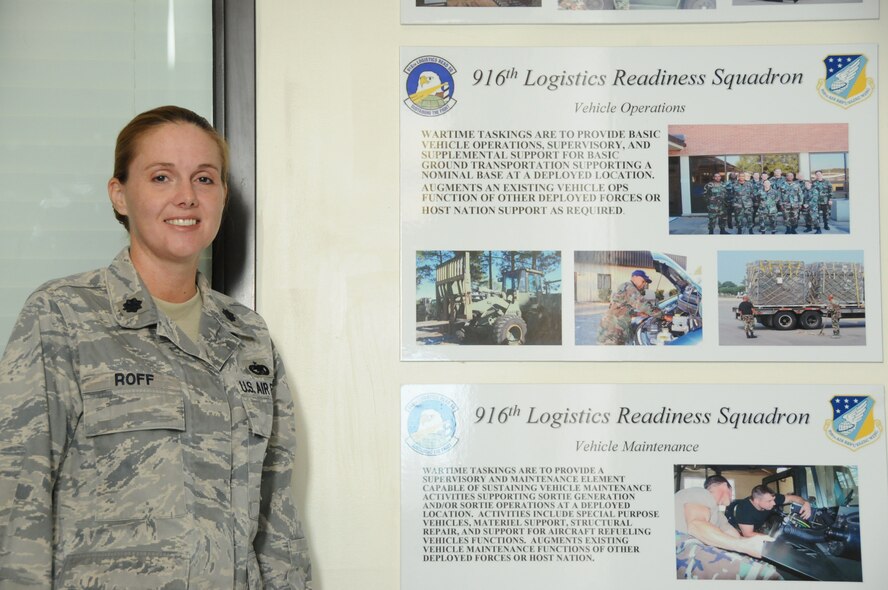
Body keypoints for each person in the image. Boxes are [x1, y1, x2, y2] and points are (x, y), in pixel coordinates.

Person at [0, 106, 311, 588]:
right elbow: (18, 499)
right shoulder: (62, 317)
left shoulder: (248, 336)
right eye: (162, 177)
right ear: (120, 195)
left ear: (223, 196)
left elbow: (276, 522)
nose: (186, 197)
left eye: (204, 179)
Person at [675, 475, 780, 580]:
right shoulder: (701, 493)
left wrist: (766, 546)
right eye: (731, 491)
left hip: (690, 550)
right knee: (766, 575)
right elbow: (696, 526)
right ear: (725, 486)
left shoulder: (718, 515)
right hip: (677, 545)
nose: (731, 496)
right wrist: (744, 546)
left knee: (765, 566)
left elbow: (736, 538)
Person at [598, 270, 665, 345]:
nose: (644, 284)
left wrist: (638, 313)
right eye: (643, 281)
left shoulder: (625, 287)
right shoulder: (629, 288)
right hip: (612, 331)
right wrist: (663, 316)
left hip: (612, 327)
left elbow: (620, 308)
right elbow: (644, 305)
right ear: (634, 277)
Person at [725, 484, 812, 538]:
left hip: (758, 524)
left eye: (773, 499)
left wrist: (806, 503)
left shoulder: (771, 498)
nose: (774, 503)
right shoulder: (744, 510)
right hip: (741, 530)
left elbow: (791, 498)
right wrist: (772, 538)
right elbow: (748, 534)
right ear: (756, 501)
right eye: (769, 501)